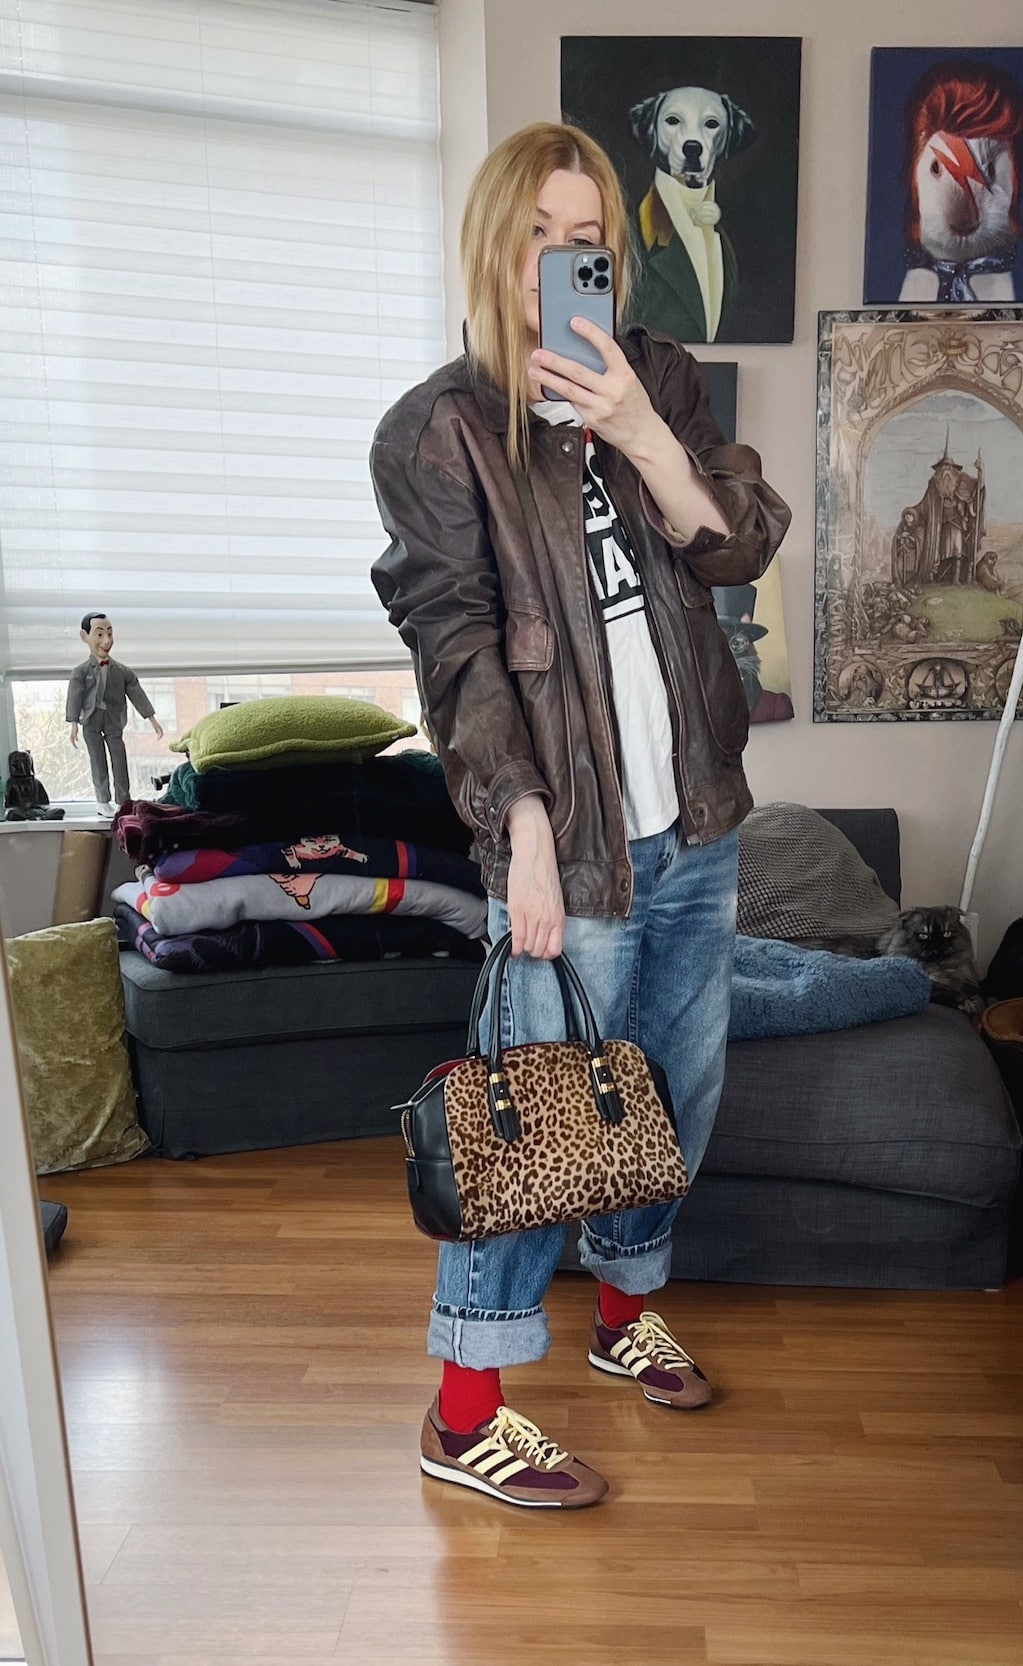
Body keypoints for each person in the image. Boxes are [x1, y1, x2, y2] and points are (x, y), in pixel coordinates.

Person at [369, 122, 790, 1510]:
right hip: (569, 842)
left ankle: (621, 1319)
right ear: (500, 248)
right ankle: (462, 1405)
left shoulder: (657, 377)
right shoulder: (436, 432)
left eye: (589, 234)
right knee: (527, 1121)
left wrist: (643, 435)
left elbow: (737, 541)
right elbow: (458, 646)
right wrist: (522, 826)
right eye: (542, 235)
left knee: (669, 1095)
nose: (570, 258)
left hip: (697, 822)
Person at [65, 613, 165, 809]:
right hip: (91, 719)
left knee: (119, 760)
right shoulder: (80, 671)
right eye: (100, 634)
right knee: (98, 761)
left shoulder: (122, 671)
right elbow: (75, 697)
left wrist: (151, 719)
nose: (106, 641)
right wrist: (73, 724)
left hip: (113, 719)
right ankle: (102, 801)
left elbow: (137, 694)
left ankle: (123, 800)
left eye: (110, 634)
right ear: (85, 636)